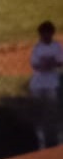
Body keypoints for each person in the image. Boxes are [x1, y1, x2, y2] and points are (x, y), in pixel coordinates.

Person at [29, 20, 63, 148]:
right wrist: (49, 63)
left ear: (51, 33)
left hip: (52, 84)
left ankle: (58, 138)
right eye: (42, 34)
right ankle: (41, 140)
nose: (43, 36)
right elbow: (35, 66)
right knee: (40, 111)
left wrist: (47, 63)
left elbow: (60, 62)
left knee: (53, 110)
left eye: (46, 33)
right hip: (37, 85)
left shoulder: (56, 46)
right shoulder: (37, 48)